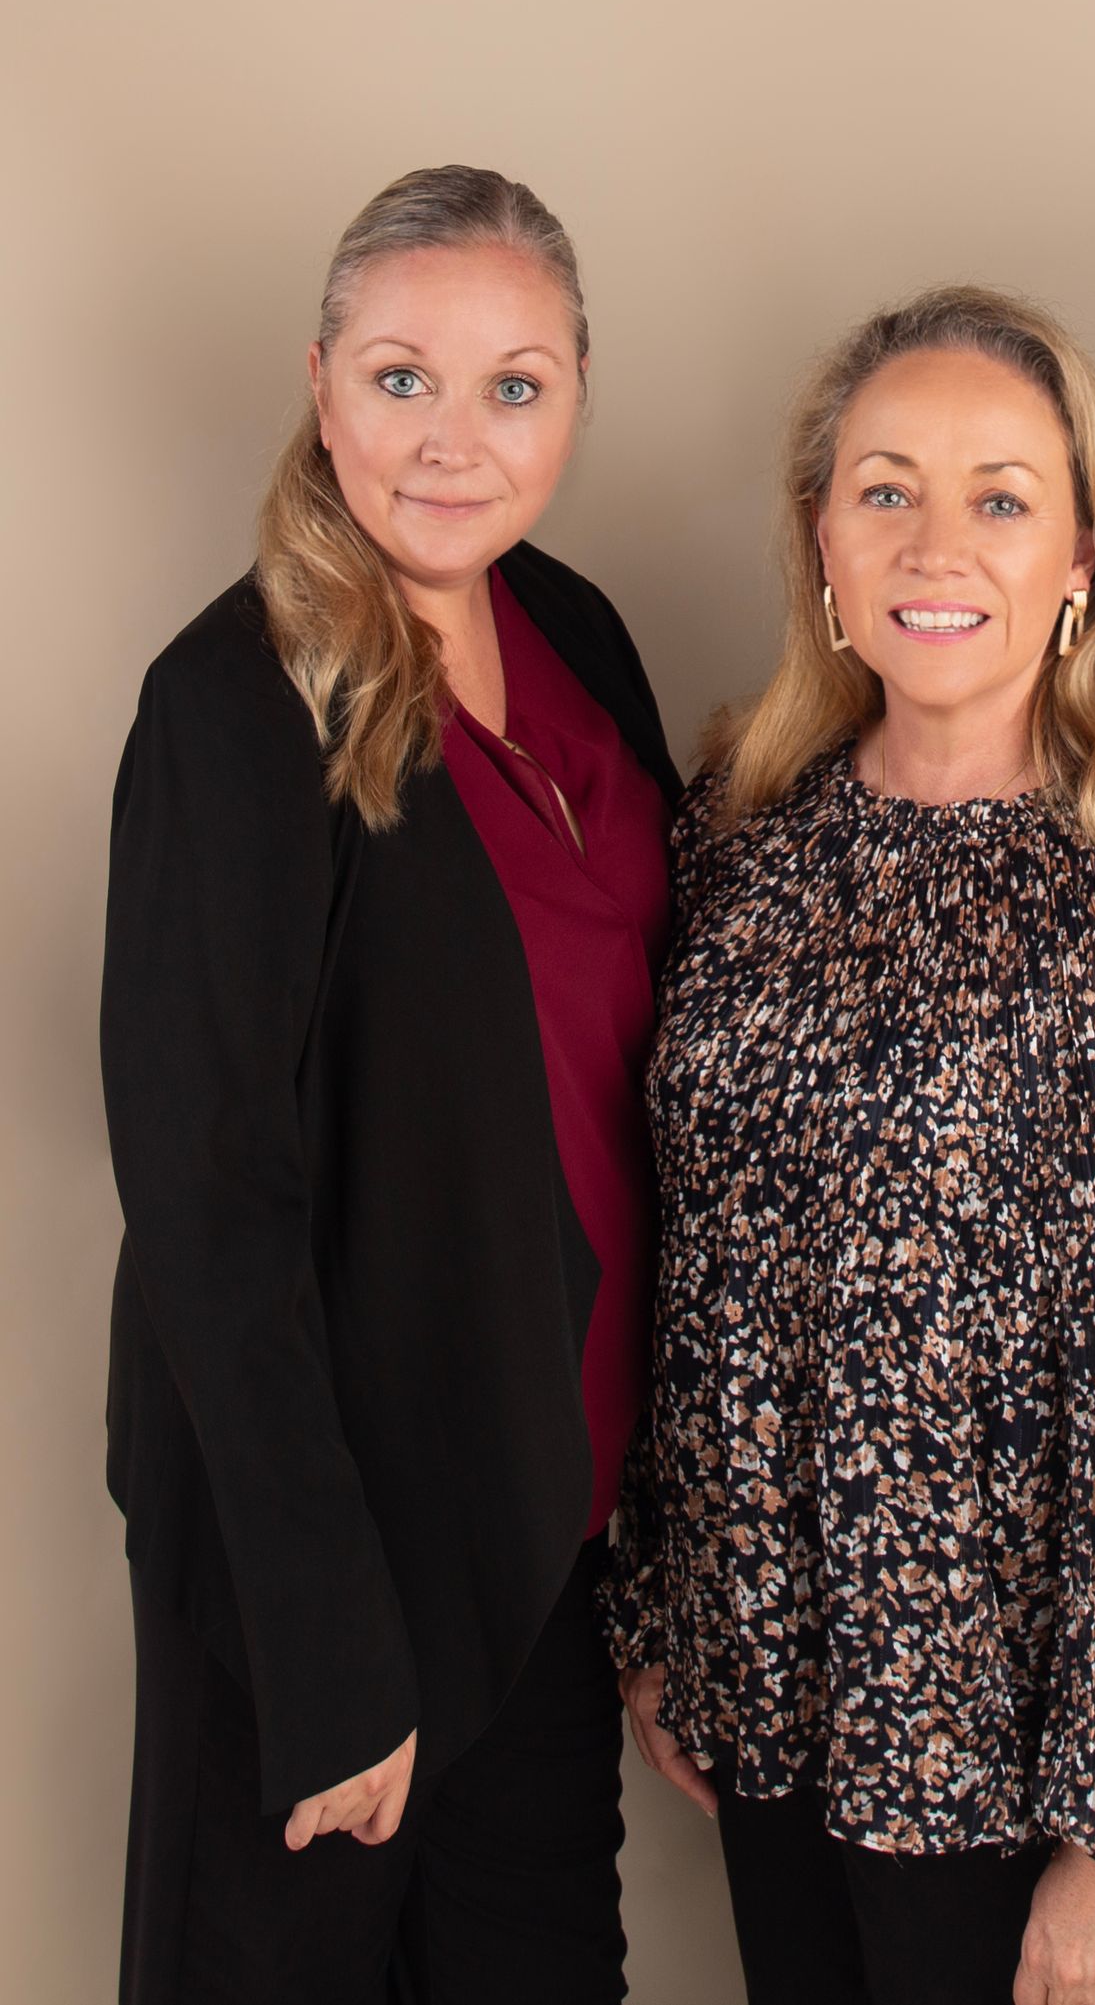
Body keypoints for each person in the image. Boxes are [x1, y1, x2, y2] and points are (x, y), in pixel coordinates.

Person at [603, 285, 1095, 2005]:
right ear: (823, 546)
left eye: (1001, 495)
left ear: (1083, 552)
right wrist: (660, 1612)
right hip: (767, 1675)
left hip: (1005, 1730)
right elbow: (682, 1247)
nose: (939, 541)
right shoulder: (741, 832)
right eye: (887, 489)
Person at [100, 165, 679, 2003]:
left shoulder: (577, 631)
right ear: (320, 377)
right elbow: (211, 1202)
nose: (453, 439)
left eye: (514, 383)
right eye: (400, 375)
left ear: (579, 390)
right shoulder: (234, 700)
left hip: (547, 1528)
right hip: (328, 1556)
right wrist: (326, 1645)